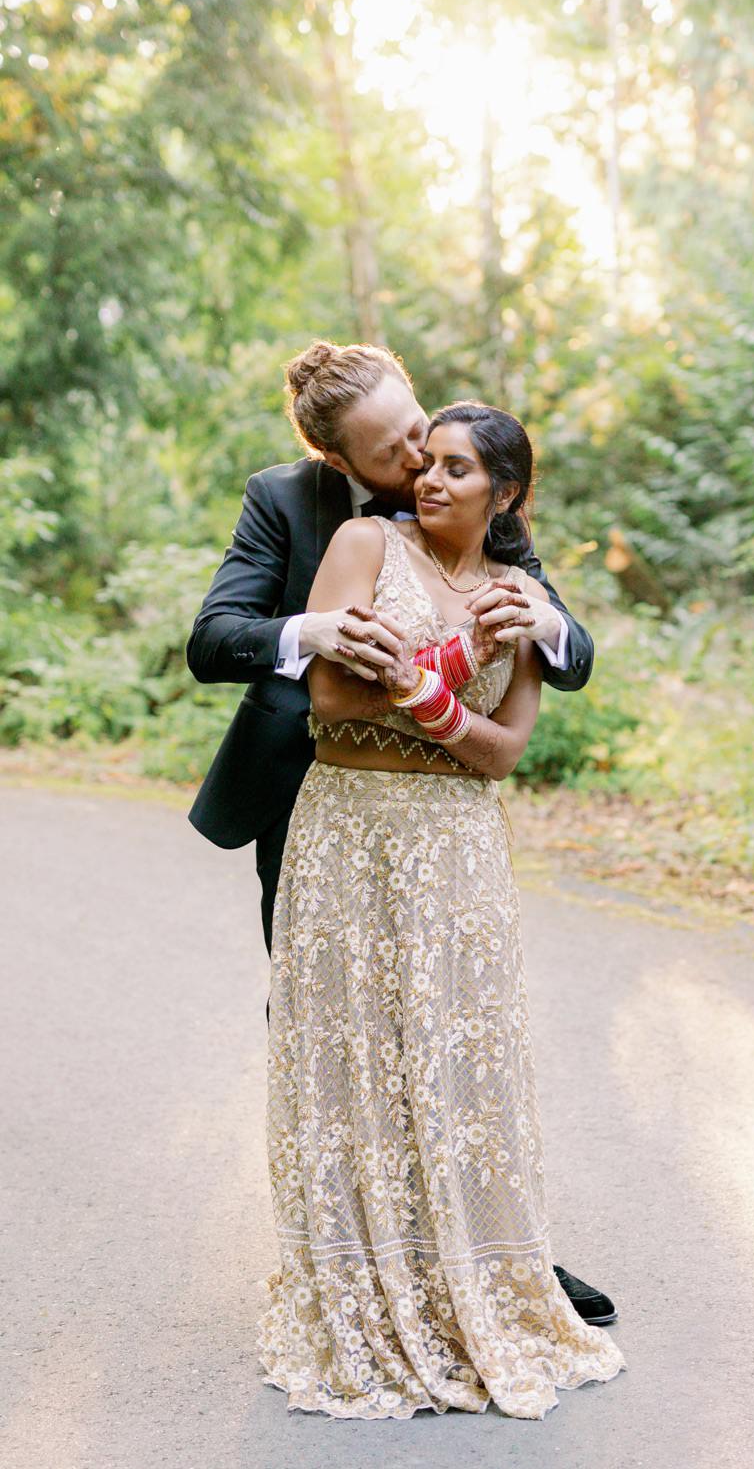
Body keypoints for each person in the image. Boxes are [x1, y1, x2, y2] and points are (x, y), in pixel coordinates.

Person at [185, 343, 617, 1331]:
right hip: (310, 799)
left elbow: (571, 653)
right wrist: (311, 633)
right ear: (343, 463)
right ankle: (347, 1254)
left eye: (421, 427)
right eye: (395, 450)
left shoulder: (468, 495)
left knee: (455, 1027)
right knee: (333, 1032)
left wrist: (543, 620)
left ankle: (502, 1257)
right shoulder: (284, 502)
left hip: (443, 808)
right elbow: (216, 637)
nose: (421, 457)